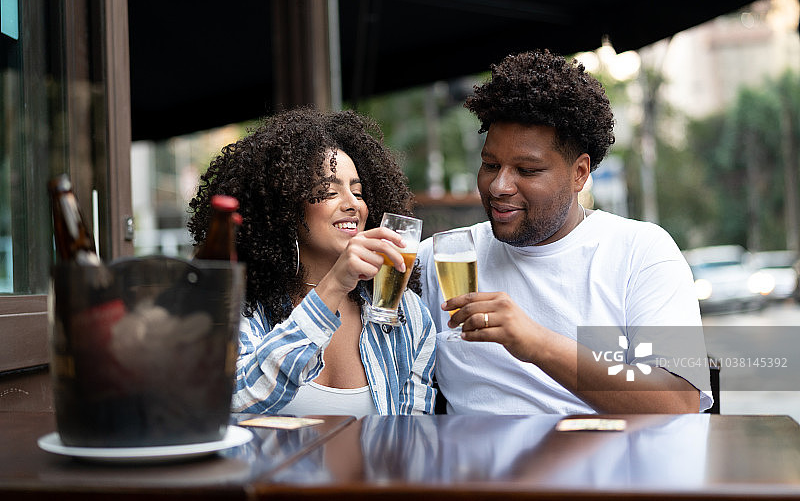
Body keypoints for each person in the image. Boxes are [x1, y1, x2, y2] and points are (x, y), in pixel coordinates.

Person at [417, 49, 712, 415]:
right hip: (475, 470)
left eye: (526, 170)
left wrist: (538, 344)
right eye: (490, 164)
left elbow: (676, 403)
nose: (499, 186)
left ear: (579, 174)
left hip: (605, 469)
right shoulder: (446, 258)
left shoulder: (640, 252)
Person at [188, 107, 436, 416]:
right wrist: (332, 287)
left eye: (358, 192)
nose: (352, 204)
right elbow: (232, 399)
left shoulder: (407, 314)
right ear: (285, 208)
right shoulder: (242, 305)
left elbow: (413, 434)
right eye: (328, 191)